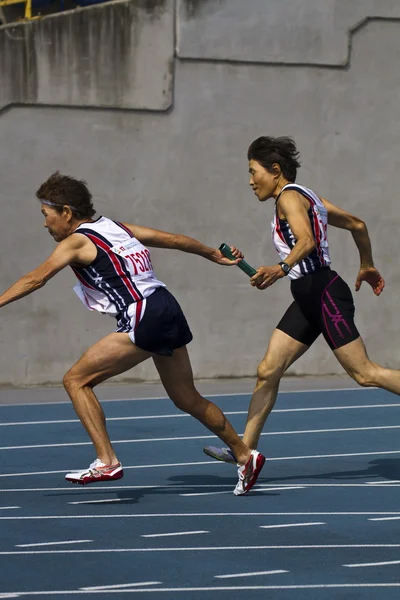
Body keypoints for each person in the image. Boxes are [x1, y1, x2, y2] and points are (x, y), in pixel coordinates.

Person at [0, 172, 265, 496]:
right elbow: (175, 240)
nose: (45, 224)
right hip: (167, 306)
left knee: (76, 380)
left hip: (143, 314)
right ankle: (244, 455)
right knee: (186, 397)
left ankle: (106, 460)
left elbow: (36, 278)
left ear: (66, 212)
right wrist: (212, 253)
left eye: (46, 215)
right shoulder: (117, 228)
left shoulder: (77, 240)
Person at [204, 135, 396, 465]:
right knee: (268, 370)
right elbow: (357, 224)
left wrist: (280, 269)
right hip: (308, 295)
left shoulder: (288, 198)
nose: (250, 182)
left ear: (275, 170)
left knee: (365, 374)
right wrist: (366, 264)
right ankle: (245, 452)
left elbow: (306, 240)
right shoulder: (309, 197)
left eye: (253, 172)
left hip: (323, 293)